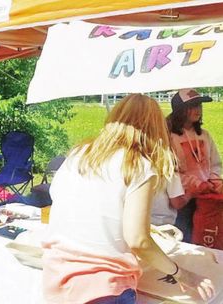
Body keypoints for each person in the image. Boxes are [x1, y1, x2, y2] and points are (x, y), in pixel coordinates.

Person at [42, 94, 214, 303]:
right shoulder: (138, 164)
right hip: (104, 285)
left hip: (56, 274)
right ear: (156, 128)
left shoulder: (79, 153)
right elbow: (138, 240)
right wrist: (182, 274)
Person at [167, 88, 222, 242]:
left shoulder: (204, 135)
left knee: (206, 234)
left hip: (206, 197)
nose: (198, 109)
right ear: (180, 110)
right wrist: (195, 184)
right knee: (184, 235)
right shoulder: (169, 137)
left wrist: (214, 180)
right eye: (193, 106)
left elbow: (216, 163)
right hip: (183, 199)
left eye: (199, 105)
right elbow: (171, 171)